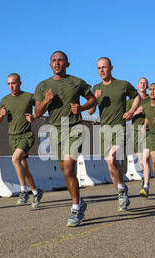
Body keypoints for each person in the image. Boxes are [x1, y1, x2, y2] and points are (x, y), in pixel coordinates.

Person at [34, 51, 96, 227]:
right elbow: (37, 113)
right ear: (49, 64)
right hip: (54, 129)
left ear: (67, 64)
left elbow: (93, 100)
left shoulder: (76, 82)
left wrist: (82, 107)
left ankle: (75, 208)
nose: (57, 63)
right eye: (53, 60)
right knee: (65, 170)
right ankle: (80, 202)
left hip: (74, 127)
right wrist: (46, 101)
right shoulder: (43, 85)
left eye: (60, 60)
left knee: (69, 168)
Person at [88, 57, 141, 211]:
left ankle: (122, 190)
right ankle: (121, 190)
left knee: (112, 158)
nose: (102, 71)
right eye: (99, 68)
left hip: (119, 128)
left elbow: (136, 96)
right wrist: (94, 99)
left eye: (104, 67)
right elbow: (91, 111)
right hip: (104, 130)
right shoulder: (96, 87)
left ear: (111, 67)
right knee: (110, 167)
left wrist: (131, 111)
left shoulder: (122, 85)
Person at [0, 73, 44, 208]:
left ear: (20, 83)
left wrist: (34, 117)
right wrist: (1, 115)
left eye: (14, 83)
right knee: (23, 168)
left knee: (15, 159)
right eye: (9, 84)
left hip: (26, 135)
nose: (11, 86)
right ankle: (36, 191)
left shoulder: (29, 97)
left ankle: (23, 191)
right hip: (13, 137)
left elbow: (40, 109)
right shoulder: (5, 100)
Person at [125, 77, 151, 197]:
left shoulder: (151, 100)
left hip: (149, 132)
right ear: (137, 85)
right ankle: (145, 180)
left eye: (145, 83)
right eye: (141, 83)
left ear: (147, 86)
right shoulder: (131, 101)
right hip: (136, 132)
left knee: (145, 159)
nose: (143, 85)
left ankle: (146, 186)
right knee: (141, 160)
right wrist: (136, 112)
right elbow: (125, 117)